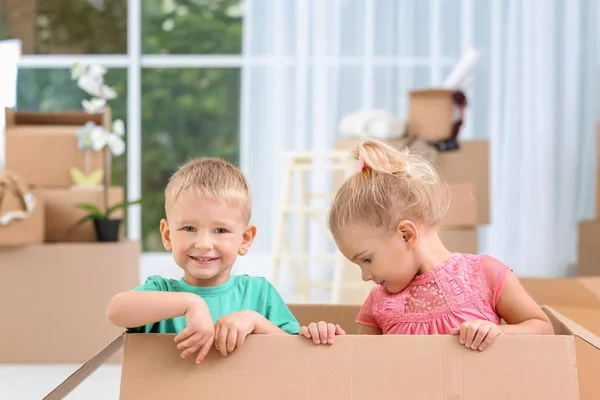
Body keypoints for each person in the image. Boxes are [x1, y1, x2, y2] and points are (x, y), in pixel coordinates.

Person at [300, 138, 553, 350]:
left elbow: (543, 328)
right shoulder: (378, 304)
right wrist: (327, 339)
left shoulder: (485, 274)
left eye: (366, 259)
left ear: (406, 235)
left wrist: (497, 333)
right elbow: (362, 371)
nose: (366, 276)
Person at [106, 158, 300, 364]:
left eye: (220, 230)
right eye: (189, 228)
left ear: (245, 239)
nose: (204, 243)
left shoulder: (259, 293)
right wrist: (191, 303)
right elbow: (116, 311)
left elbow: (295, 358)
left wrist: (255, 321)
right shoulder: (160, 291)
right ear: (167, 235)